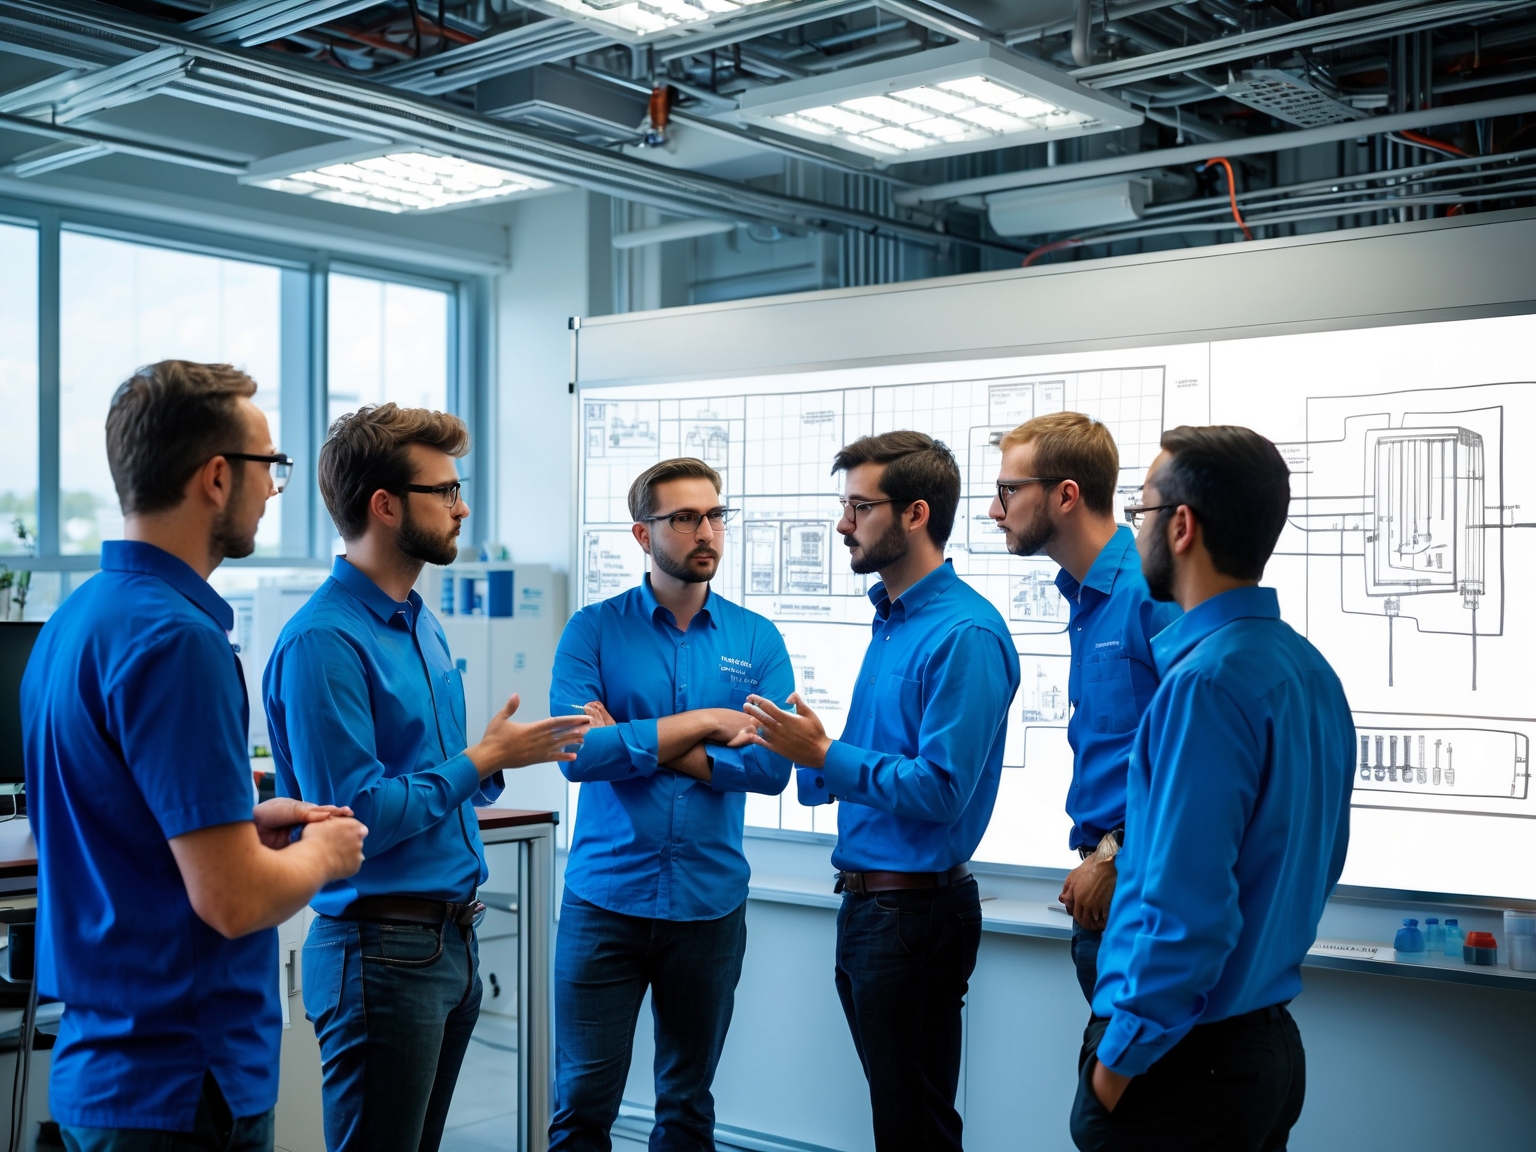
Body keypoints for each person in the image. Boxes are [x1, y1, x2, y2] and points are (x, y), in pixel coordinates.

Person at [21, 360, 368, 1152]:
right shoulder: (181, 641)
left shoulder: (74, 622)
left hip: (103, 1073)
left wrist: (240, 818)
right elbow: (235, 902)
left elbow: (113, 818)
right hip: (184, 1085)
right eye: (270, 467)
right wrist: (322, 852)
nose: (274, 490)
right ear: (217, 476)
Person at [263, 404, 590, 1152]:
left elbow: (438, 778)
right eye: (444, 490)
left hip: (448, 941)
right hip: (380, 953)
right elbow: (360, 819)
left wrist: (493, 760)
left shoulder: (419, 619)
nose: (461, 506)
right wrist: (481, 760)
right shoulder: (323, 642)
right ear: (384, 505)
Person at [1071, 426, 1354, 1152]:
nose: (1134, 536)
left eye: (1139, 516)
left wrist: (1115, 1065)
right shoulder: (1307, 670)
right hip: (1263, 1051)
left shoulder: (1202, 685)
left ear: (1182, 525)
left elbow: (1184, 910)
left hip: (1182, 1063)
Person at [744, 431, 1019, 1152]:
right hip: (873, 910)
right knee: (900, 1121)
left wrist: (826, 753)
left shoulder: (964, 634)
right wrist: (801, 750)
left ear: (916, 514)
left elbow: (940, 790)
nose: (842, 525)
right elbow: (869, 771)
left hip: (914, 915)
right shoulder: (893, 623)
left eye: (859, 507)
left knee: (915, 1127)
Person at [547, 457, 794, 1152]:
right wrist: (708, 723)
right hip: (605, 902)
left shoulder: (757, 639)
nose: (705, 531)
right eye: (684, 518)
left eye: (715, 515)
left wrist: (629, 738)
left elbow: (773, 767)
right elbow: (575, 756)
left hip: (708, 906)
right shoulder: (592, 631)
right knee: (582, 1107)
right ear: (641, 533)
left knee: (687, 1107)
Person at [988, 412, 1180, 1004]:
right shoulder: (1087, 598)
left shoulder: (1151, 593)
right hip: (1108, 895)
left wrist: (1114, 853)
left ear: (1066, 494)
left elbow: (1199, 751)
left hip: (1147, 898)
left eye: (1009, 491)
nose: (996, 511)